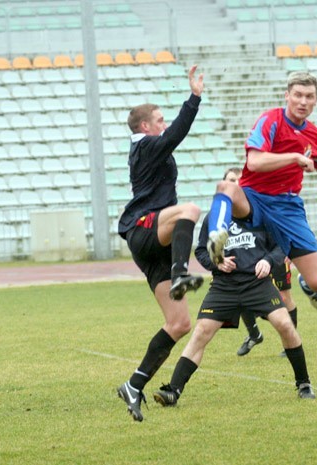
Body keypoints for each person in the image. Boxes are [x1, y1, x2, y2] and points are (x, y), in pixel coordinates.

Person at [205, 71, 317, 314]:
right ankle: (215, 236)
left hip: (288, 208)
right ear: (287, 96)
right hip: (254, 197)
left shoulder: (314, 135)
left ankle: (305, 281)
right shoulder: (270, 120)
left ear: (316, 100)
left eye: (309, 96)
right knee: (226, 188)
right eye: (298, 95)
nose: (303, 101)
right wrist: (293, 157)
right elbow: (254, 162)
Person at [151, 198, 316, 405]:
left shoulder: (262, 214)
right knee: (201, 332)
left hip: (258, 284)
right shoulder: (213, 218)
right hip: (224, 287)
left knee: (284, 324)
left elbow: (281, 247)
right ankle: (173, 391)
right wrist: (216, 263)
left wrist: (267, 261)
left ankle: (304, 383)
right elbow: (201, 251)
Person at [115, 65, 206, 422]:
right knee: (191, 209)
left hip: (156, 243)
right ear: (144, 127)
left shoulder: (149, 147)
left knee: (180, 323)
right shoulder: (146, 146)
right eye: (160, 119)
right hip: (143, 227)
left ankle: (134, 385)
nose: (164, 123)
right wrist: (194, 97)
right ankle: (182, 273)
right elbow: (175, 136)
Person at [218, 167, 300, 356]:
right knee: (242, 297)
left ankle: (291, 342)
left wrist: (287, 248)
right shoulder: (223, 212)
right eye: (231, 180)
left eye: (239, 179)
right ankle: (254, 335)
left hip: (272, 255)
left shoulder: (260, 202)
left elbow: (283, 222)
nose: (236, 184)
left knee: (285, 297)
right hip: (247, 259)